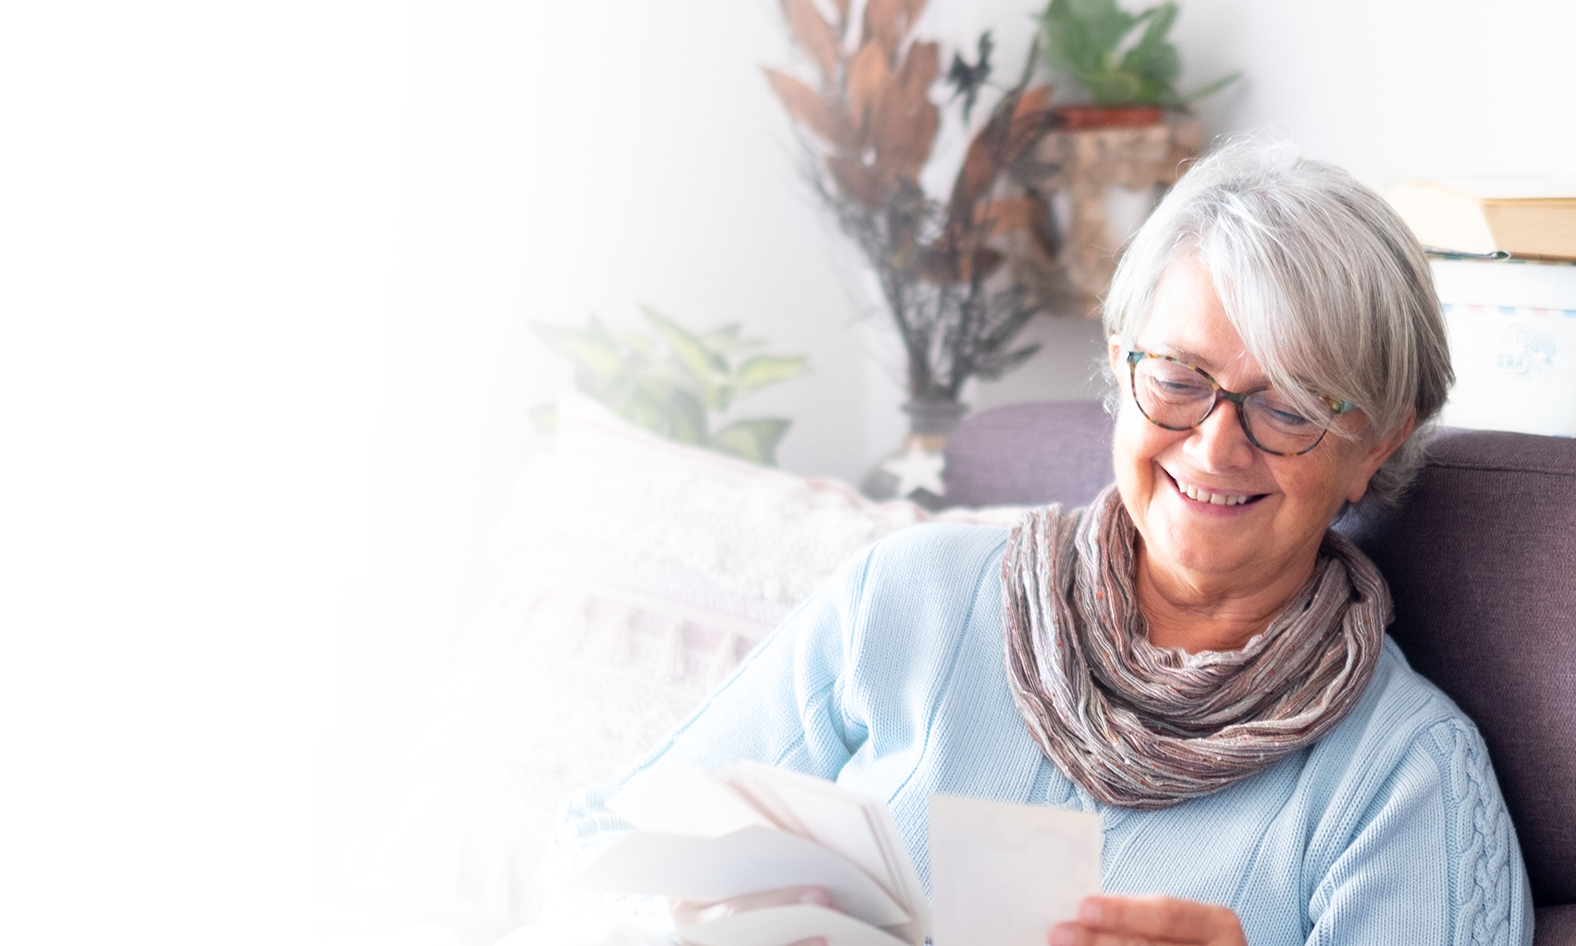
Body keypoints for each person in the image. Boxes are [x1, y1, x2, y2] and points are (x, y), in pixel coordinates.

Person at [550, 141, 1533, 945]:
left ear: (1377, 443)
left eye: (1285, 406)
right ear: (1117, 364)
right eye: (1179, 377)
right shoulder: (907, 600)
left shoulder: (1406, 777)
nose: (1215, 443)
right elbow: (605, 856)